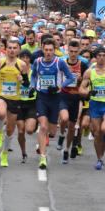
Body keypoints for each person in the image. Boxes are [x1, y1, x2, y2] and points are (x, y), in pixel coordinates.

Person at [30, 39, 75, 169]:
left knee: (52, 132)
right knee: (43, 127)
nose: (48, 53)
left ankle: (48, 137)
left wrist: (59, 86)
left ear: (54, 50)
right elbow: (33, 76)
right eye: (46, 50)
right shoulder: (37, 62)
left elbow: (70, 77)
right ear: (42, 50)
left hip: (55, 98)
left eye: (51, 50)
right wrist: (33, 86)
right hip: (42, 97)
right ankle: (43, 158)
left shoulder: (59, 63)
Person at [0, 39, 29, 167]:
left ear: (18, 50)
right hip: (1, 95)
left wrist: (22, 79)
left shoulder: (22, 64)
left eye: (14, 48)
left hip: (14, 98)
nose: (12, 50)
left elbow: (27, 83)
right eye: (10, 48)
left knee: (11, 130)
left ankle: (5, 154)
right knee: (1, 113)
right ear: (6, 49)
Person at [58, 40, 88, 164]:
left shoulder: (83, 64)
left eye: (76, 52)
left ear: (79, 51)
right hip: (63, 96)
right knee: (64, 119)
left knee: (71, 128)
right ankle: (61, 135)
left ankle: (66, 149)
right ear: (67, 51)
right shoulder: (62, 62)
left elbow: (87, 83)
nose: (73, 54)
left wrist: (81, 80)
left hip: (76, 98)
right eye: (71, 51)